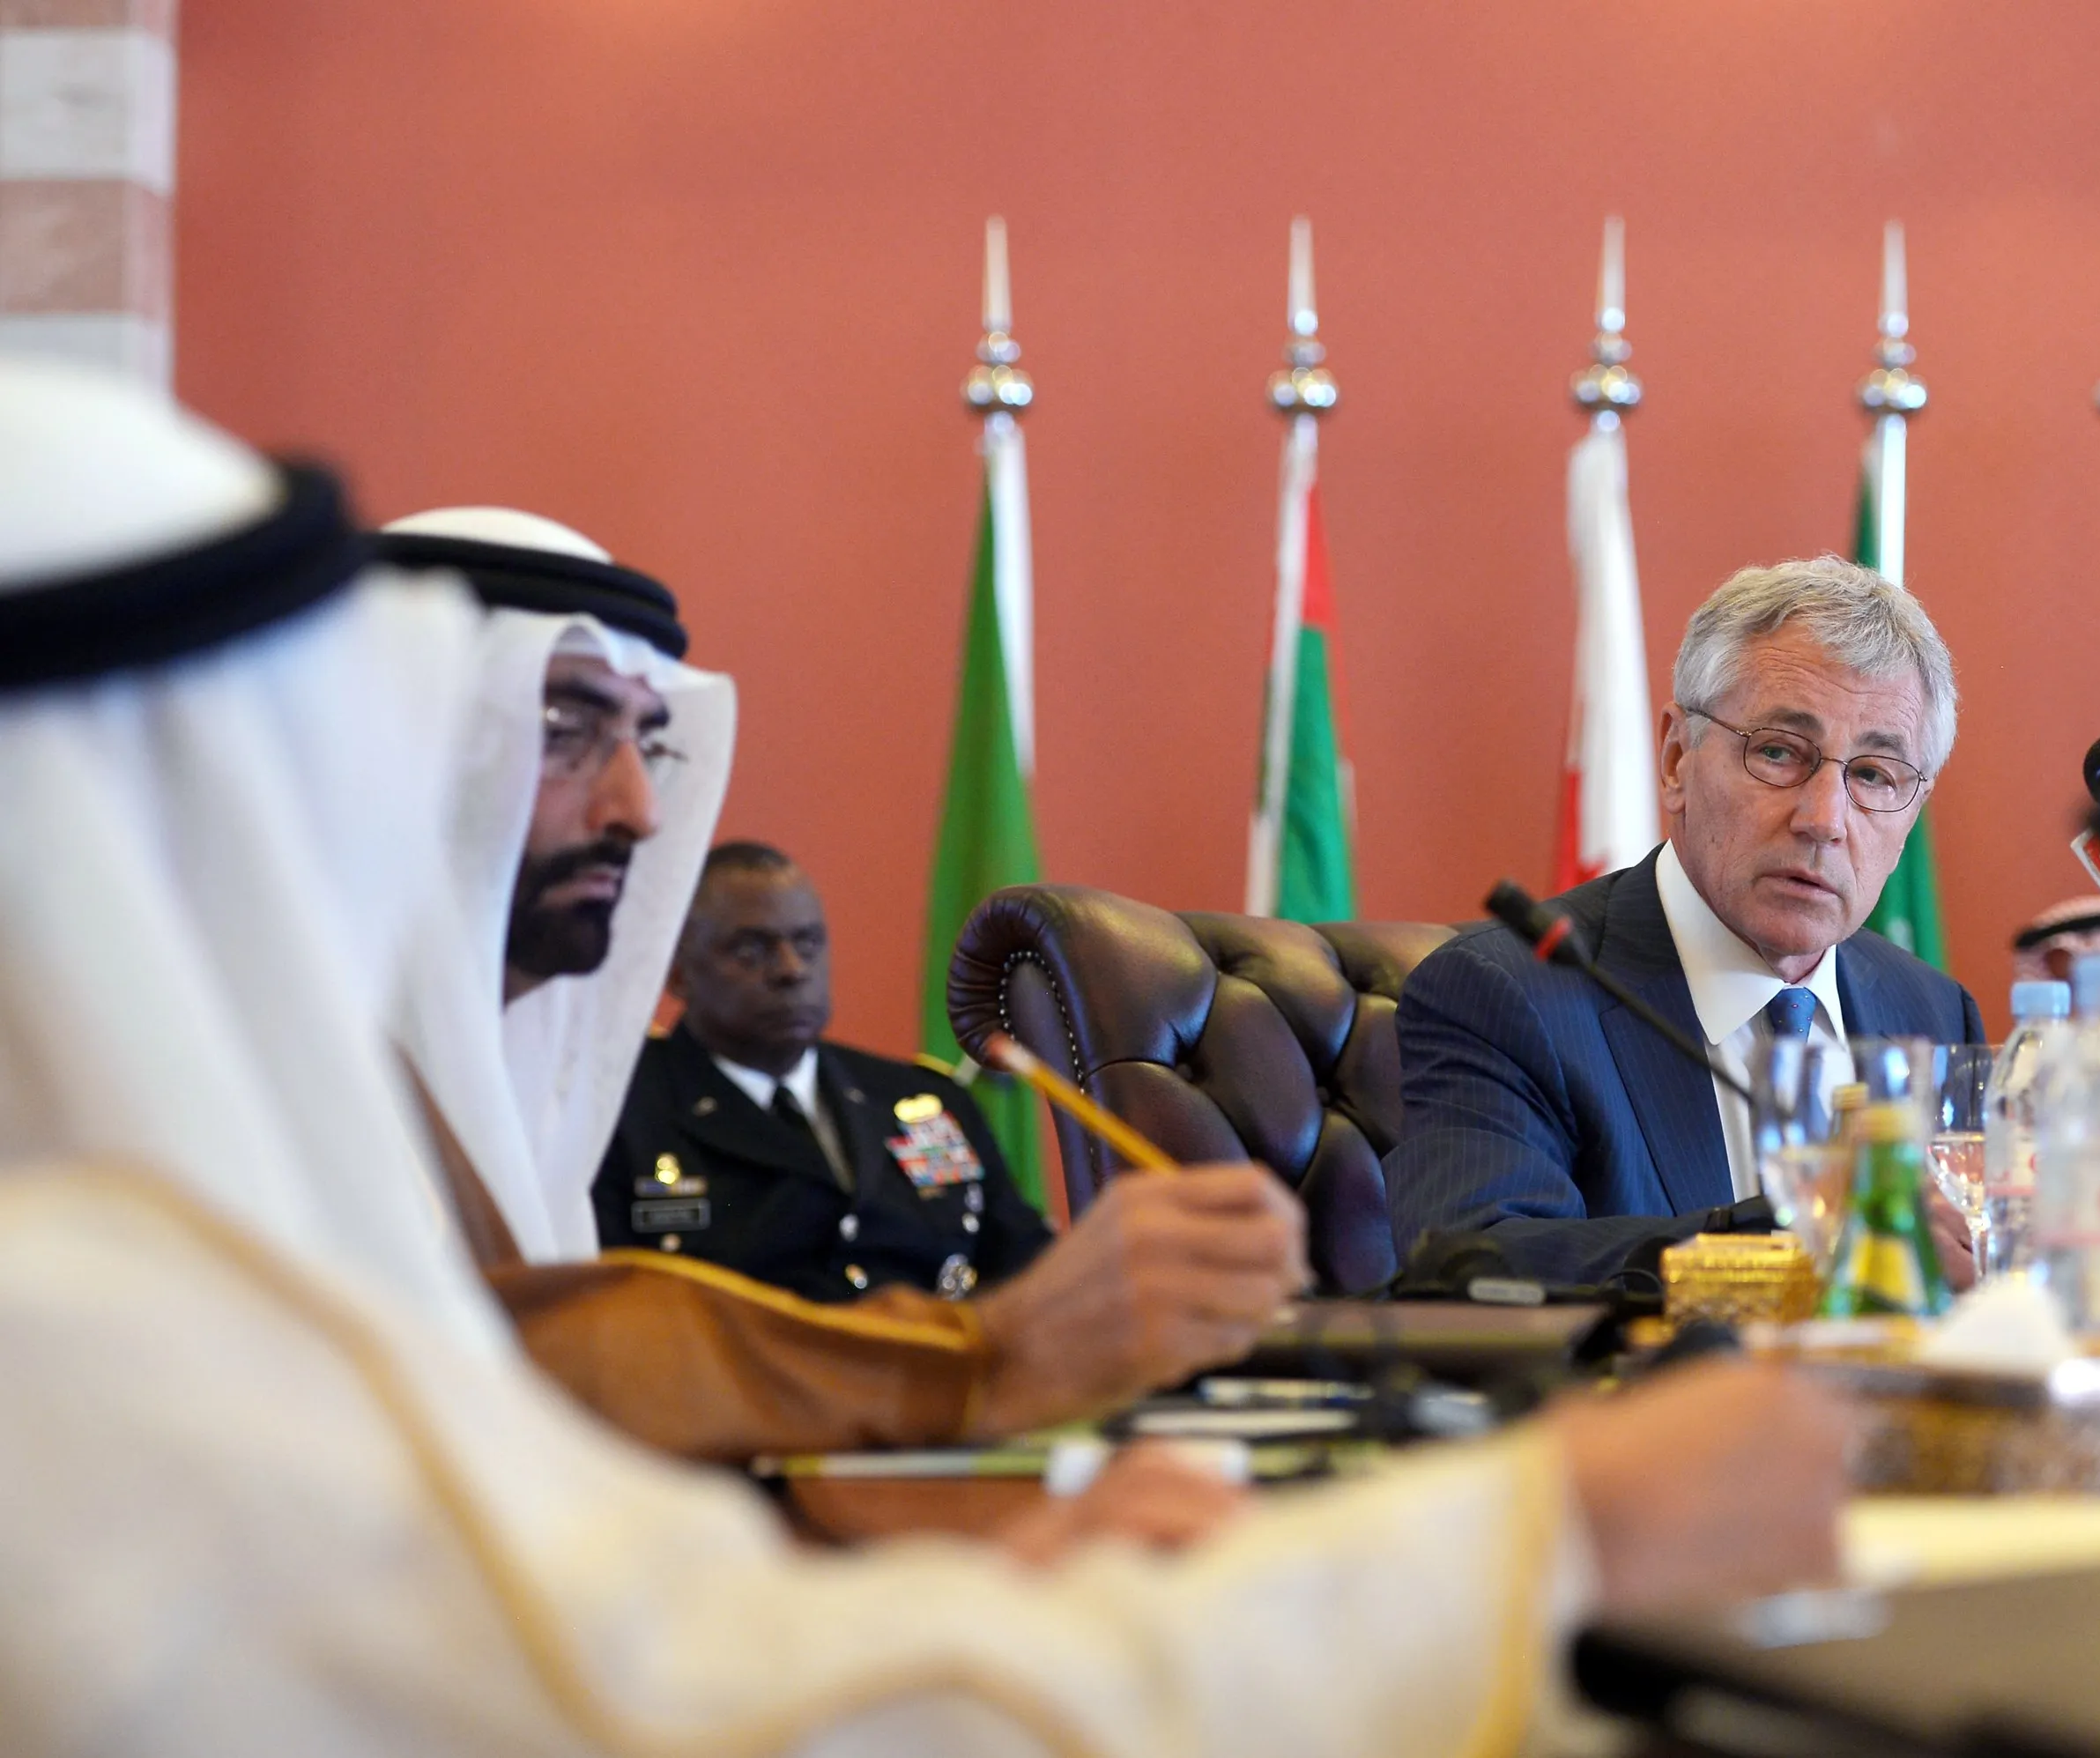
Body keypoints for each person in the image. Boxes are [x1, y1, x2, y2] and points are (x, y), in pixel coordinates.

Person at [0, 357, 1850, 1757]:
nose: (644, 809)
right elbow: (667, 1705)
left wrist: (962, 1577)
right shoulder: (76, 1321)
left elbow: (534, 1547)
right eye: (559, 728)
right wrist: (1543, 1534)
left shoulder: (313, 1150)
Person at [377, 508, 1306, 1458]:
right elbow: (502, 1392)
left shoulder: (889, 1099)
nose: (640, 810)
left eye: (646, 742)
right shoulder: (298, 1088)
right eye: (563, 725)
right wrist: (982, 1355)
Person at [1386, 555, 1985, 1286]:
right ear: (1676, 759)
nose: (1825, 820)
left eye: (1872, 776)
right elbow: (1469, 1264)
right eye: (1777, 752)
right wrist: (1791, 1236)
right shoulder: (1507, 992)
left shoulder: (1931, 1009)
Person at [597, 841, 1052, 1301]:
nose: (792, 970)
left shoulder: (923, 1098)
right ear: (677, 973)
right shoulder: (620, 1112)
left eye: (807, 943)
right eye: (752, 951)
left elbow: (1029, 1270)